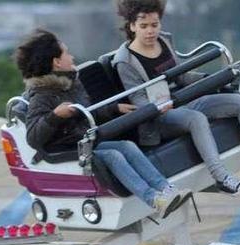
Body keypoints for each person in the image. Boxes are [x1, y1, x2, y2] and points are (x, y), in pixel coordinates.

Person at [113, 0, 240, 196]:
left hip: (183, 101)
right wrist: (165, 106)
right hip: (158, 118)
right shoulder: (125, 61)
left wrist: (212, 80)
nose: (151, 31)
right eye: (144, 26)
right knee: (196, 119)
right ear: (132, 26)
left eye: (155, 25)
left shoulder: (164, 40)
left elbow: (182, 76)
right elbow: (140, 102)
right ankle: (222, 178)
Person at [16, 29, 189, 219]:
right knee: (114, 155)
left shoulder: (72, 82)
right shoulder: (41, 96)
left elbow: (88, 111)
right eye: (66, 53)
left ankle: (167, 190)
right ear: (57, 62)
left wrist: (114, 108)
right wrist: (55, 116)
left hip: (86, 141)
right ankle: (154, 200)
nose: (71, 56)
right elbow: (33, 137)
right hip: (70, 149)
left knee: (126, 146)